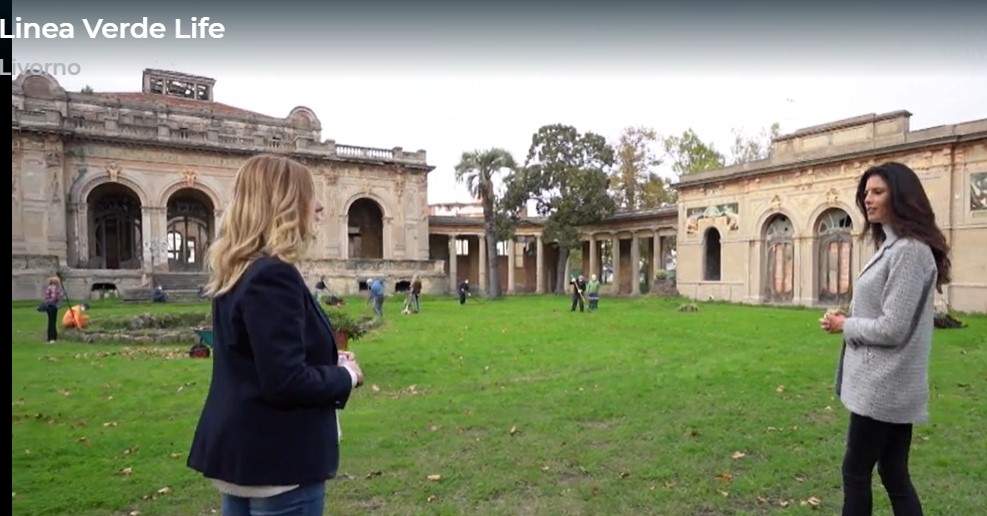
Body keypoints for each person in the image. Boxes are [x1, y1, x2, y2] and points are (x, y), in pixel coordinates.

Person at [187, 154, 365, 516]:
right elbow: (285, 382)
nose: (318, 206)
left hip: (245, 458)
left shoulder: (236, 270)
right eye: (309, 196)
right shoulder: (272, 275)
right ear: (284, 205)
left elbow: (255, 358)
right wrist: (347, 375)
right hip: (278, 463)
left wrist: (327, 360)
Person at [820, 162, 950, 516]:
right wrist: (848, 320)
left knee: (855, 471)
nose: (868, 199)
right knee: (893, 472)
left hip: (883, 386)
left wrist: (846, 325)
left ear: (901, 197)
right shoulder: (894, 247)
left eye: (878, 192)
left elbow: (893, 328)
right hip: (889, 385)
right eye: (866, 193)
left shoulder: (909, 251)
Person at [40, 276, 63, 343]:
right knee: (52, 322)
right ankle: (52, 337)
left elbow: (50, 297)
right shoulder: (54, 288)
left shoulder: (50, 287)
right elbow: (54, 298)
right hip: (53, 306)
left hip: (51, 306)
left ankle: (51, 337)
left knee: (51, 321)